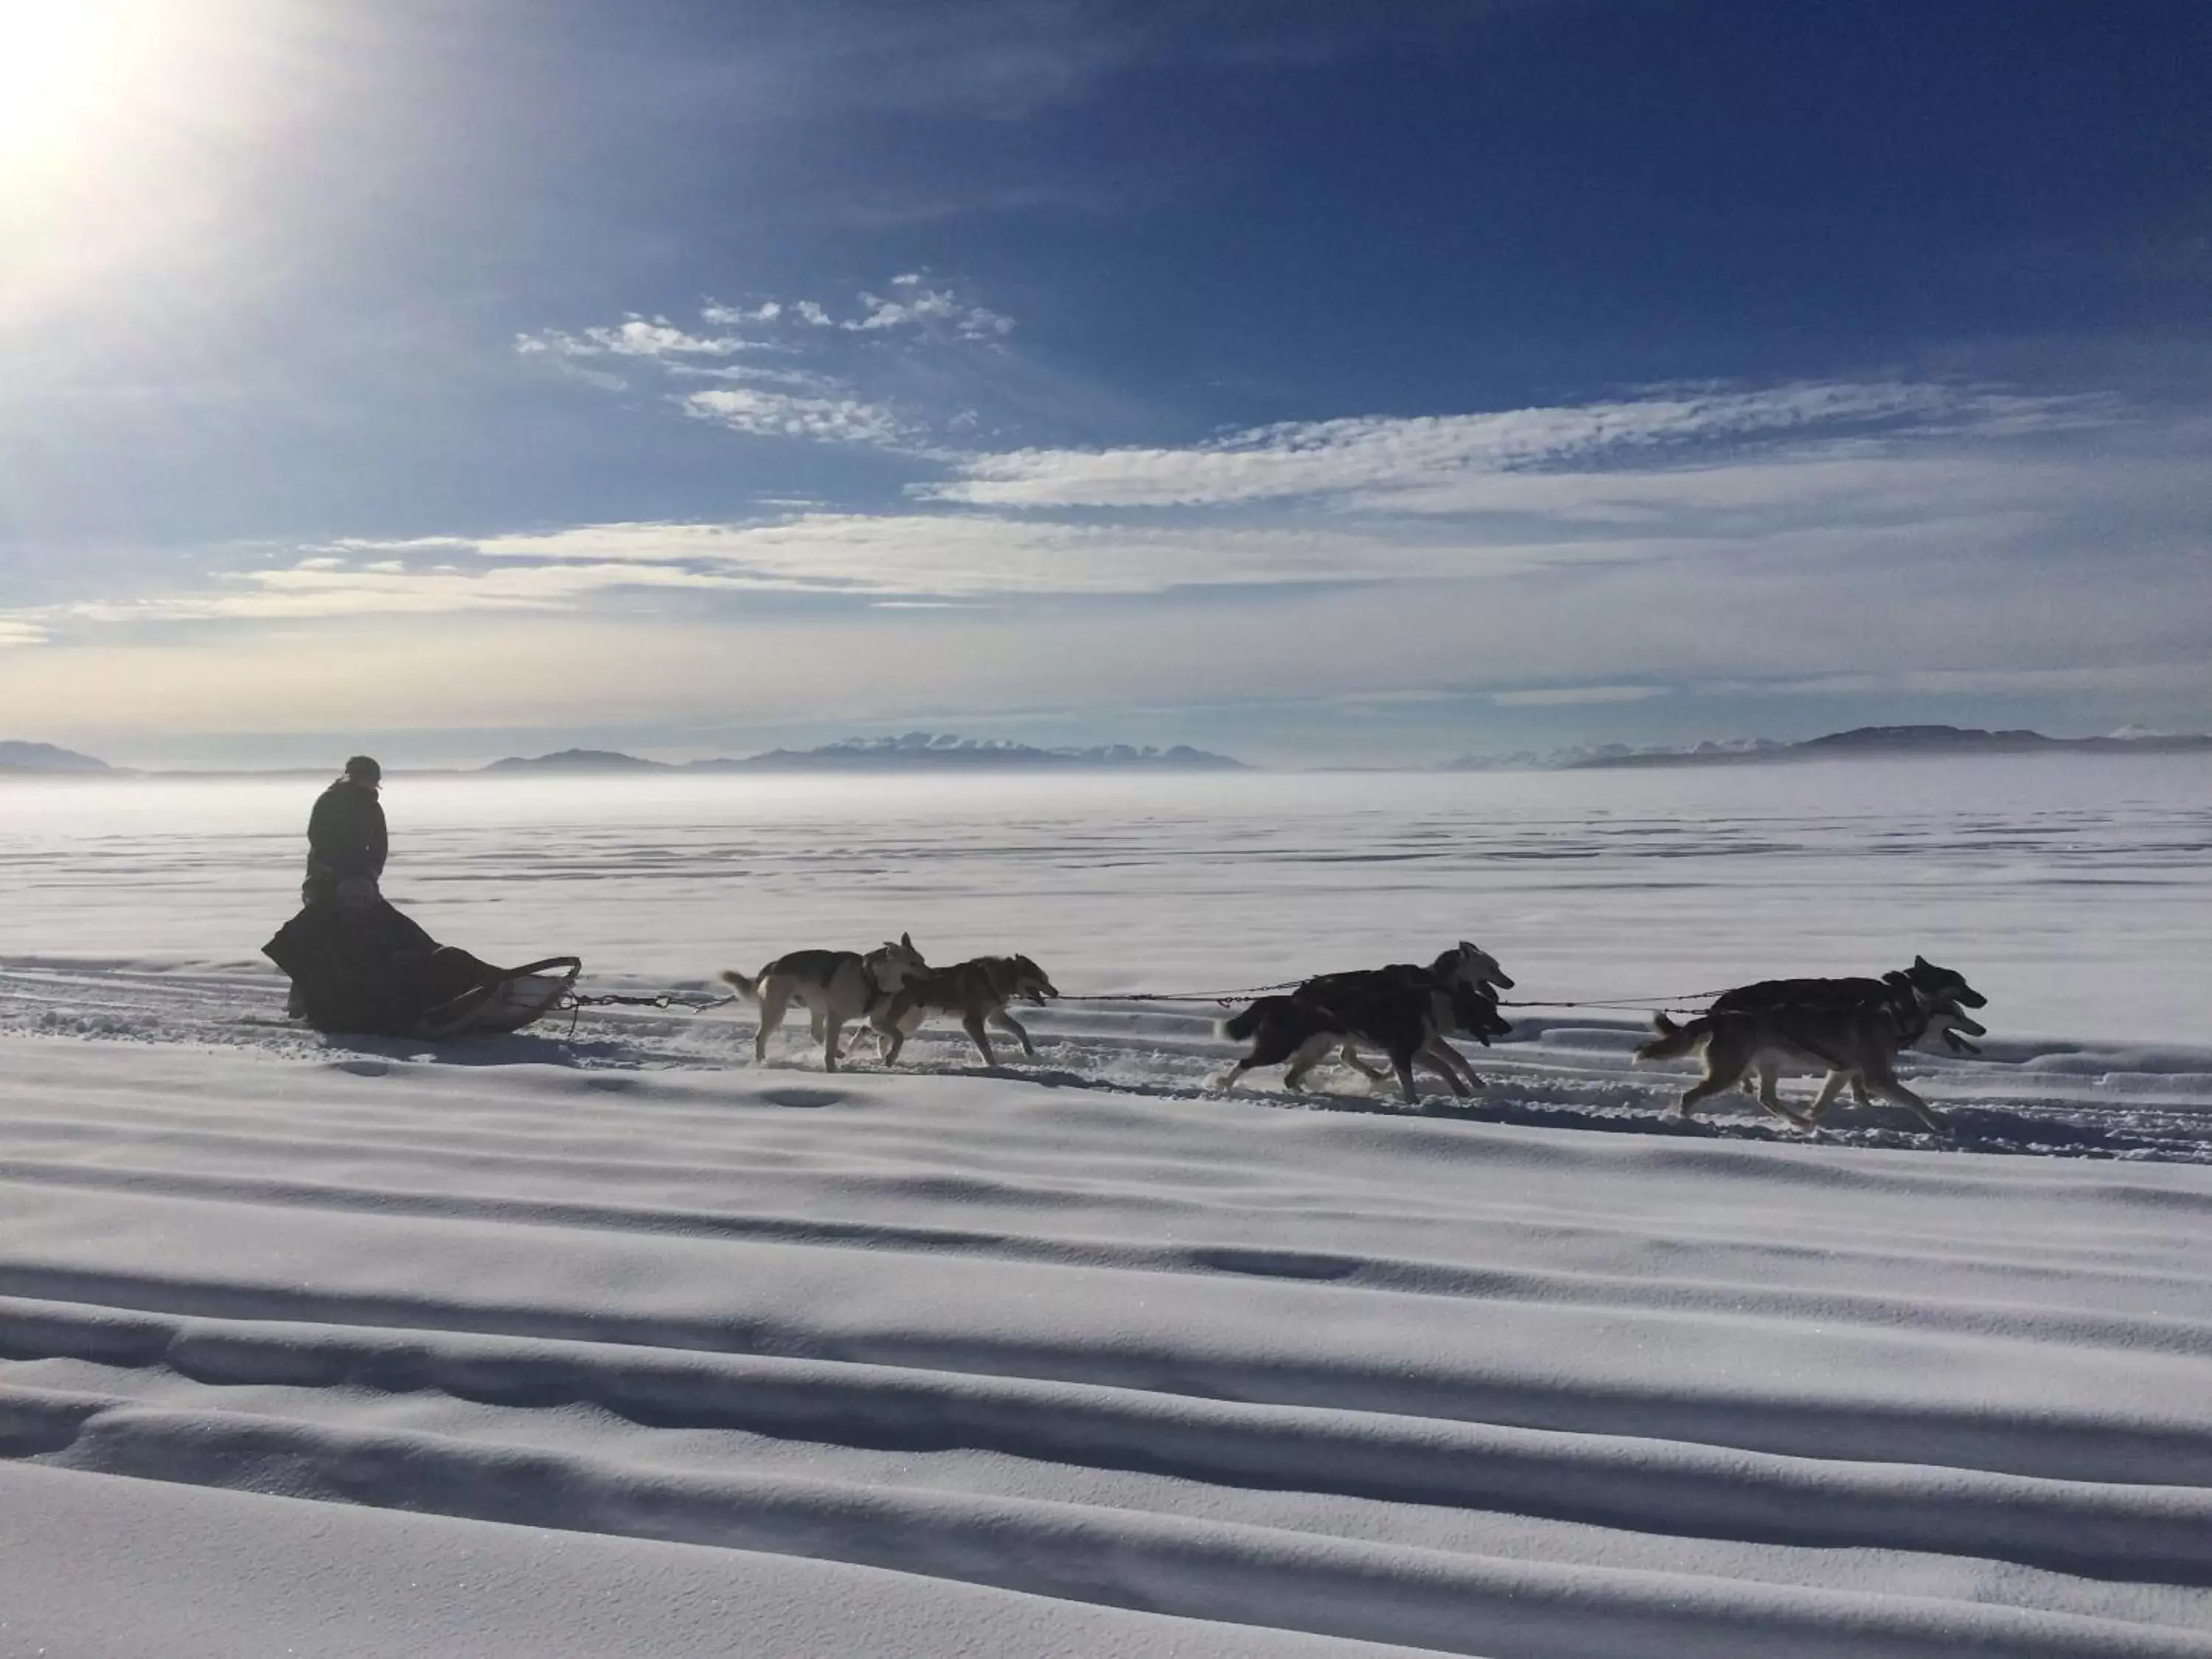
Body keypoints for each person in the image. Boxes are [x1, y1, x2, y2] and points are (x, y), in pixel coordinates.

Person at [304, 754, 389, 910]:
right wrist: (339, 872)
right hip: (324, 882)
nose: (373, 786)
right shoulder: (329, 802)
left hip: (362, 882)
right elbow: (318, 838)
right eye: (370, 781)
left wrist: (370, 873)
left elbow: (380, 845)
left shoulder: (372, 807)